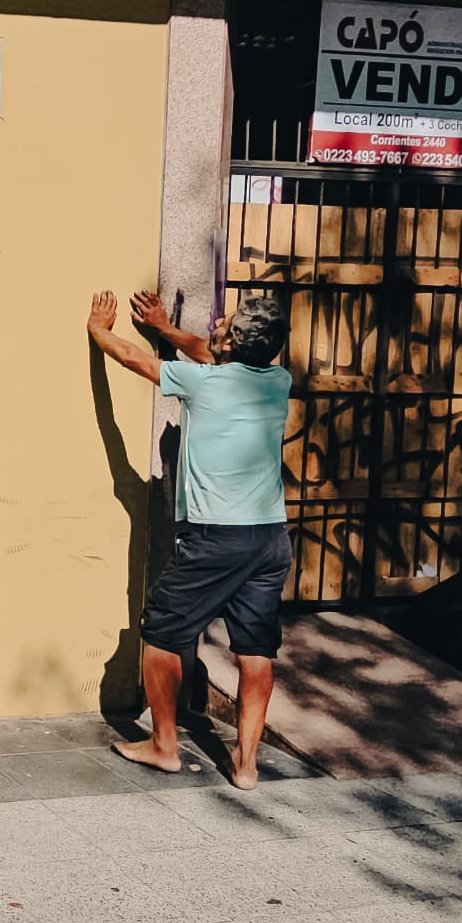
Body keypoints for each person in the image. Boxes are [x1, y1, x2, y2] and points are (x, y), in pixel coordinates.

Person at [88, 289, 291, 790]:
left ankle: (163, 746)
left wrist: (99, 331)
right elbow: (208, 351)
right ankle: (246, 765)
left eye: (227, 323)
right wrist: (165, 328)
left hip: (215, 537)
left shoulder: (203, 382)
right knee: (256, 650)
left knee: (161, 632)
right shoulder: (277, 381)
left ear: (235, 342)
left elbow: (134, 359)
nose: (218, 324)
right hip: (269, 538)